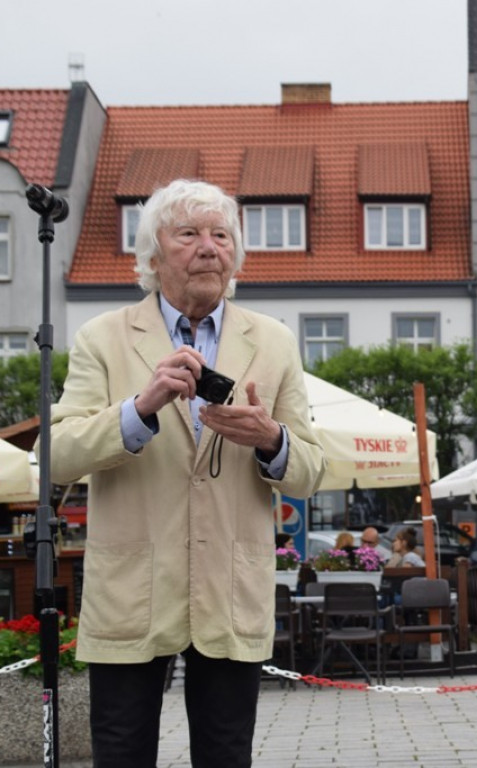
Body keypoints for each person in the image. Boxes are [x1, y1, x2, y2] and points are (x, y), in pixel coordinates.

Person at [49, 179, 326, 768]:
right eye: (189, 234)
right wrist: (139, 408)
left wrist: (270, 439)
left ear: (235, 254)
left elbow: (311, 470)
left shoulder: (272, 341)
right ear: (152, 257)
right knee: (121, 753)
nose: (209, 247)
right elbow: (58, 455)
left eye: (222, 235)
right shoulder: (103, 338)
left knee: (227, 755)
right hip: (132, 591)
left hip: (230, 589)